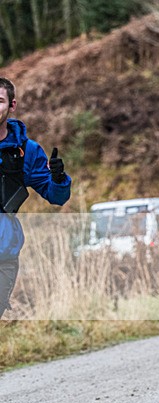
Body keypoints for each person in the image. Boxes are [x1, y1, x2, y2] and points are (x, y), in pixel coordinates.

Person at [0, 77, 71, 319]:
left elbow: (56, 196)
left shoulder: (26, 152)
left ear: (12, 105)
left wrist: (59, 178)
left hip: (3, 256)